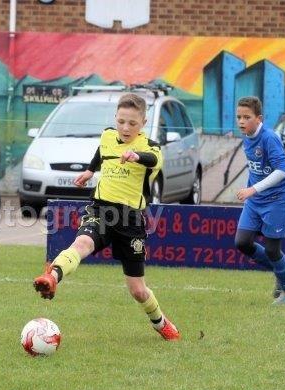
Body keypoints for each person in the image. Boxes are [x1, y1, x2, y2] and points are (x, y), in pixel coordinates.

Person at [33, 93, 180, 341]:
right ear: (115, 118)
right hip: (101, 210)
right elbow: (102, 151)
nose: (125, 128)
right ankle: (52, 276)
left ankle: (161, 323)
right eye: (121, 121)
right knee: (82, 243)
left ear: (143, 122)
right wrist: (90, 171)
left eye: (132, 123)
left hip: (130, 220)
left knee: (138, 290)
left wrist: (136, 156)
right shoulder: (108, 136)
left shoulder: (150, 147)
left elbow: (154, 160)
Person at [234, 96, 285, 305]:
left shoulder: (269, 138)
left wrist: (252, 189)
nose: (241, 121)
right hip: (256, 201)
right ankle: (283, 269)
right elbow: (257, 169)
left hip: (277, 199)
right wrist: (251, 190)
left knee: (272, 250)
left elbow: (282, 171)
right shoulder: (247, 137)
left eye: (246, 117)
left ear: (259, 118)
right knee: (242, 242)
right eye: (238, 117)